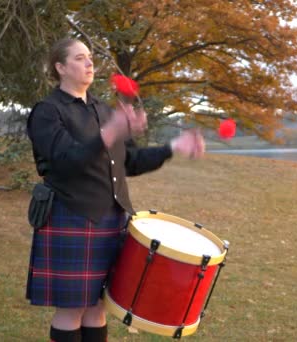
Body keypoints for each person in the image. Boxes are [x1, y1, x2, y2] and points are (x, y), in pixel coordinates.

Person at [25, 37, 205, 342]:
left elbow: (130, 162)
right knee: (72, 310)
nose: (89, 63)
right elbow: (67, 161)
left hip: (113, 218)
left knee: (97, 307)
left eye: (90, 57)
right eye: (80, 58)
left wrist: (173, 147)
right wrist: (110, 134)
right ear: (60, 67)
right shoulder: (48, 111)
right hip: (73, 214)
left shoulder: (104, 111)